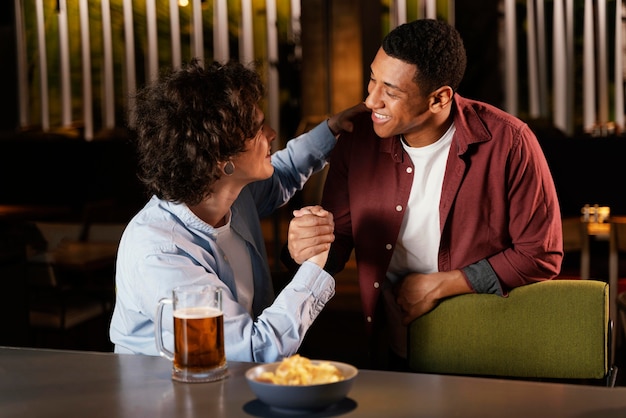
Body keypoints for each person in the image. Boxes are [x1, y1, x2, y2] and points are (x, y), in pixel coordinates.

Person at [286, 19, 563, 370]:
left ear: (440, 98)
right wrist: (307, 246)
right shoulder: (357, 142)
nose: (371, 100)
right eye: (372, 78)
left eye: (391, 91)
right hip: (395, 348)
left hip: (487, 349)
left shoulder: (510, 142)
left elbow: (541, 253)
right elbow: (337, 242)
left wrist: (446, 283)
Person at [109, 59, 365, 362]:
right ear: (220, 156)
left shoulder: (231, 194)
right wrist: (314, 263)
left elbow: (281, 173)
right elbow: (255, 350)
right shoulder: (161, 253)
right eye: (257, 129)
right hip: (168, 397)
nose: (271, 133)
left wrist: (333, 129)